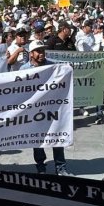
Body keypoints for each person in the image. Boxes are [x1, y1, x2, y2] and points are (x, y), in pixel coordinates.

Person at [20, 41, 72, 176]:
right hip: (34, 111)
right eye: (38, 51)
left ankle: (61, 167)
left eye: (43, 50)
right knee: (37, 139)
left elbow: (68, 66)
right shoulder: (24, 69)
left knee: (57, 136)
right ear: (31, 54)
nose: (42, 53)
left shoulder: (52, 65)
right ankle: (41, 166)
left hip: (52, 108)